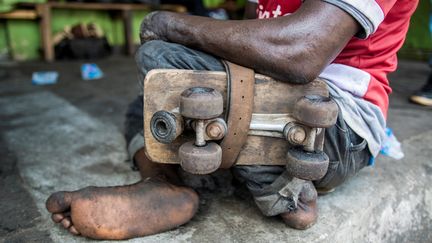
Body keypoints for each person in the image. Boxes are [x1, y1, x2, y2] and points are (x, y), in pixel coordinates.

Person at [45, 0, 418, 240]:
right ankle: (165, 181)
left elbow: (301, 51)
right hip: (275, 104)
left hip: (334, 127)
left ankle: (278, 188)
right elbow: (241, 58)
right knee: (148, 101)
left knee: (162, 56)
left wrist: (171, 24)